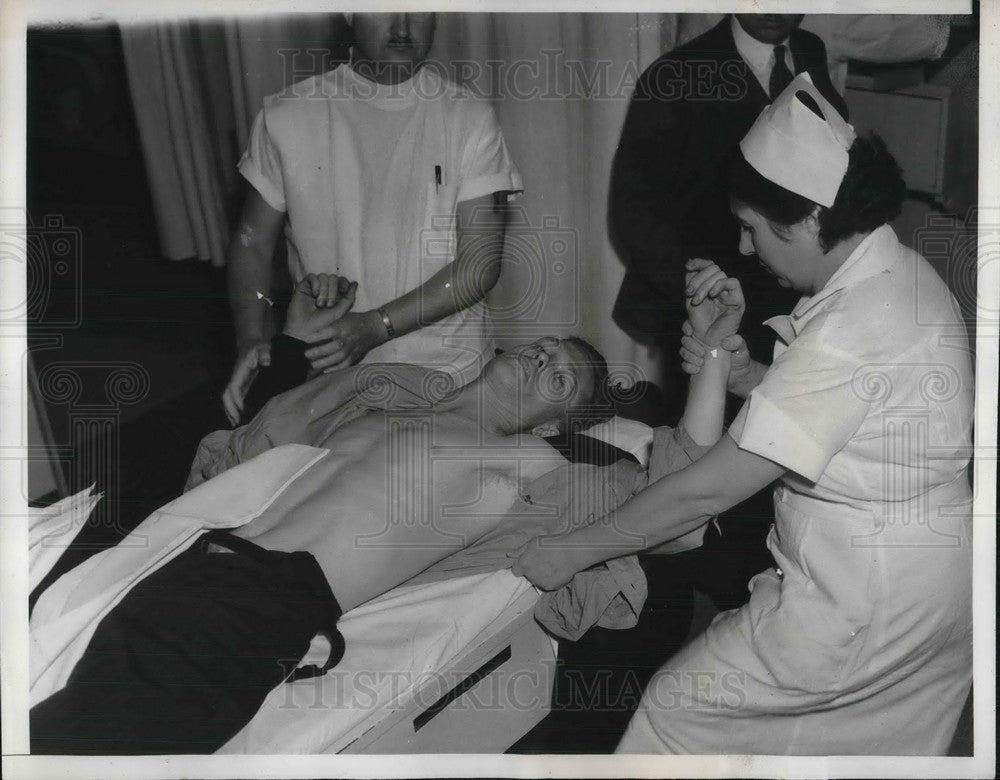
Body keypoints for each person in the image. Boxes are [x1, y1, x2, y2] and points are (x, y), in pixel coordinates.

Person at [514, 74, 974, 754]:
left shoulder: (851, 327)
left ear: (812, 219)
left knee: (674, 719)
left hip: (864, 604)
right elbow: (842, 419)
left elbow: (708, 488)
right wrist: (735, 364)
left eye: (753, 228)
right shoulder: (903, 272)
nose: (748, 247)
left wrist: (570, 549)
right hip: (934, 586)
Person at [608, 12, 852, 622]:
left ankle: (752, 606)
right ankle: (659, 621)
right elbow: (635, 214)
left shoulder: (810, 53)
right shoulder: (677, 74)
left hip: (791, 305)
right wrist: (701, 300)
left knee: (775, 471)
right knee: (686, 475)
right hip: (705, 306)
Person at [223, 11, 522, 425]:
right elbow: (251, 244)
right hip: (327, 379)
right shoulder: (286, 116)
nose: (402, 28)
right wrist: (252, 336)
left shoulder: (468, 118)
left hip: (449, 379)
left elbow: (480, 263)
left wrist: (377, 326)